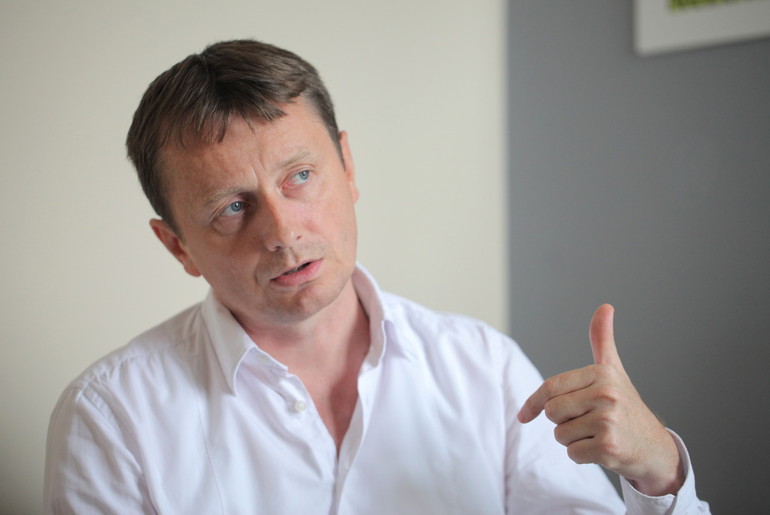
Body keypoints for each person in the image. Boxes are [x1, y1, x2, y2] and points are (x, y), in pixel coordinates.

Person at [44, 39, 710, 514]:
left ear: (348, 167)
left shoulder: (484, 369)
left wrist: (659, 473)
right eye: (232, 208)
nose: (282, 231)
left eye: (300, 176)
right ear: (177, 246)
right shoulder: (110, 420)